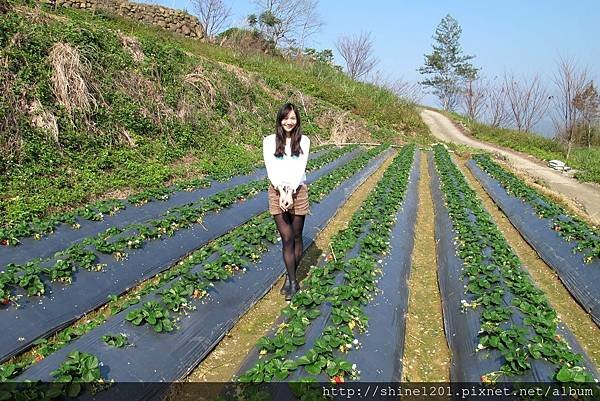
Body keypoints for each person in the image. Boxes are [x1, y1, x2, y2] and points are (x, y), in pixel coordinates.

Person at [263, 103, 310, 301]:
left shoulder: (304, 141)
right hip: (276, 192)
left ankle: (290, 279)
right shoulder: (269, 141)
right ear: (280, 119)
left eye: (293, 118)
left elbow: (300, 168)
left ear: (297, 120)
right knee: (287, 238)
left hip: (298, 191)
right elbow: (271, 169)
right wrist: (282, 191)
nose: (289, 122)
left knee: (297, 237)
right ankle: (293, 281)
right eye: (285, 118)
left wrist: (290, 191)